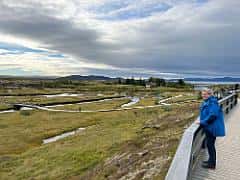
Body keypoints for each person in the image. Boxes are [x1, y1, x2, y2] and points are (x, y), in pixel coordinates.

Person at [196, 88, 225, 169]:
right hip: (209, 127)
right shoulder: (208, 102)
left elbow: (213, 115)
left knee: (210, 145)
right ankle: (210, 161)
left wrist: (202, 122)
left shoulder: (212, 102)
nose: (203, 95)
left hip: (212, 128)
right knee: (209, 145)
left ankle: (212, 164)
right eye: (202, 94)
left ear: (210, 94)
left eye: (205, 94)